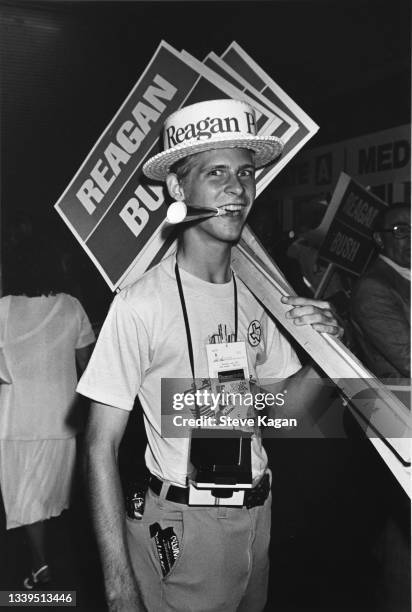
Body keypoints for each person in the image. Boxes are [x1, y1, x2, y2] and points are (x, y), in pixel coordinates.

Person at [78, 99, 342, 612]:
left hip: (258, 517)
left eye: (245, 172)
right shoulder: (140, 304)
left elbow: (288, 413)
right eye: (215, 172)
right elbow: (97, 446)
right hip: (182, 527)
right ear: (178, 190)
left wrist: (325, 355)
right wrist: (117, 585)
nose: (236, 188)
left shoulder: (264, 293)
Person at [0, 238, 95, 588]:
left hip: (15, 423)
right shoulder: (71, 306)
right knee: (54, 500)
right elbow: (90, 367)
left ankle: (43, 567)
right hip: (62, 421)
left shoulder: (4, 308)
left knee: (27, 503)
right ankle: (57, 565)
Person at [350, 202, 410, 378]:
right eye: (401, 231)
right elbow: (408, 360)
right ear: (379, 239)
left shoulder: (404, 276)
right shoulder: (373, 288)